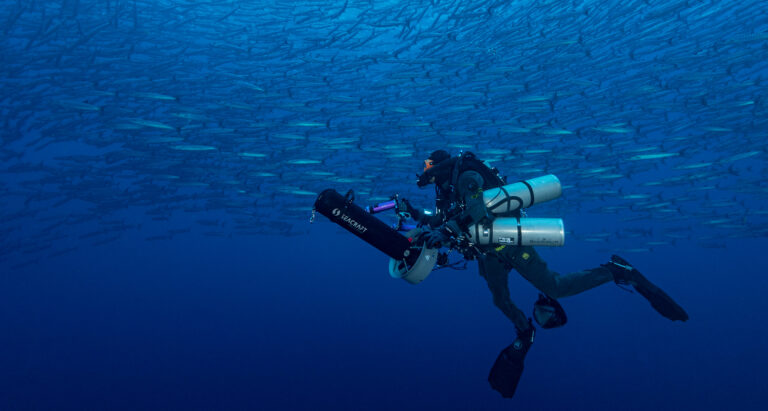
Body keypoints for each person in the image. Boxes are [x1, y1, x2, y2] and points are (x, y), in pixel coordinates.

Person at [404, 149, 689, 398]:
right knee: (500, 300)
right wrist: (415, 213)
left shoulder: (467, 177)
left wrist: (447, 231)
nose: (428, 174)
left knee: (555, 287)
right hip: (487, 253)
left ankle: (614, 271)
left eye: (429, 167)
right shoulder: (449, 192)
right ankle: (525, 332)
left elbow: (476, 211)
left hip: (510, 244)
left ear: (439, 167)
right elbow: (443, 219)